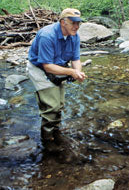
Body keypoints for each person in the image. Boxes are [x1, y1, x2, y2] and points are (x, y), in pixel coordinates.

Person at [27, 8, 87, 152]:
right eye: (73, 23)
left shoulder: (75, 36)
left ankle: (56, 132)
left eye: (79, 23)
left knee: (59, 104)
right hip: (40, 69)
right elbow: (47, 66)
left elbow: (76, 59)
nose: (76, 27)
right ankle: (47, 140)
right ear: (62, 22)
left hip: (58, 68)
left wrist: (78, 72)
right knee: (52, 106)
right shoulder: (47, 35)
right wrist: (71, 72)